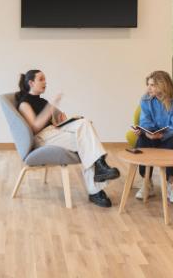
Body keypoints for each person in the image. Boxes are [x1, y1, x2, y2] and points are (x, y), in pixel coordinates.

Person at [15, 69, 120, 207]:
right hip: (42, 138)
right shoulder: (24, 103)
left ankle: (100, 172)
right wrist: (52, 106)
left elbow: (51, 122)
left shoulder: (42, 101)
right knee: (86, 141)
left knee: (85, 123)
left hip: (54, 131)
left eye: (45, 79)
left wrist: (61, 120)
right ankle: (96, 186)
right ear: (31, 82)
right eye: (41, 79)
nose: (45, 82)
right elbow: (35, 126)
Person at [131, 70, 173, 203]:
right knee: (142, 140)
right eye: (148, 84)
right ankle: (147, 182)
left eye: (152, 85)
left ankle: (171, 184)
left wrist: (161, 135)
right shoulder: (146, 99)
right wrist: (146, 132)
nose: (148, 88)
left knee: (171, 144)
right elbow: (145, 121)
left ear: (162, 85)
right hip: (155, 133)